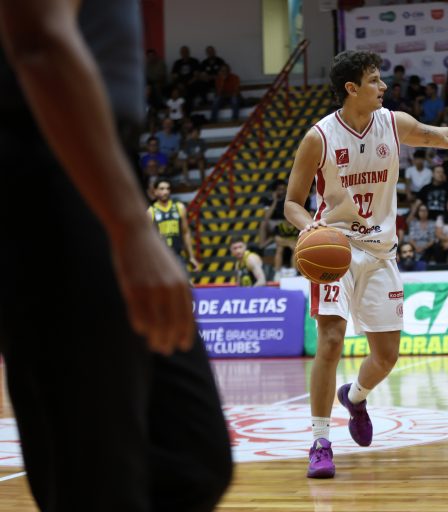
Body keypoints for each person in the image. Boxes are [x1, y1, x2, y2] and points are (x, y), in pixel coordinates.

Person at [0, 2, 232, 510]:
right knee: (97, 482)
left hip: (106, 159)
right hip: (49, 163)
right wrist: (129, 226)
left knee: (192, 459)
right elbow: (37, 42)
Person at [283, 50, 448, 479]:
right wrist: (309, 228)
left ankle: (355, 397)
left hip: (381, 252)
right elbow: (291, 204)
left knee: (386, 357)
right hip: (336, 249)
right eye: (375, 80)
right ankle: (320, 442)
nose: (384, 86)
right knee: (331, 341)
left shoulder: (393, 124)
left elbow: (445, 136)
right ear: (351, 88)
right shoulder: (319, 137)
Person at [148, 178, 202, 271]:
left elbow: (185, 233)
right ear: (155, 192)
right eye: (162, 189)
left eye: (167, 189)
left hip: (177, 256)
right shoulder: (150, 212)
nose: (165, 192)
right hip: (160, 258)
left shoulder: (179, 207)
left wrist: (191, 256)